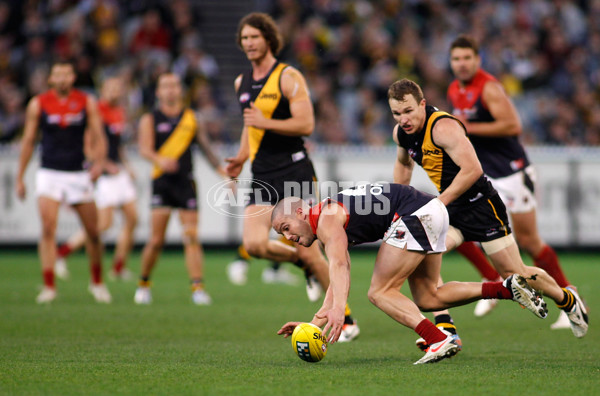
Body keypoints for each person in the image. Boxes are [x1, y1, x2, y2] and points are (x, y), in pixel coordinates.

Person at [387, 78, 588, 340]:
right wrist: (397, 206)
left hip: (480, 206)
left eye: (409, 111)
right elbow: (404, 165)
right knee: (418, 253)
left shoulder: (443, 127)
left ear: (422, 104)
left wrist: (439, 203)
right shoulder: (402, 133)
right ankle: (445, 327)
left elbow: (473, 170)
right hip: (450, 211)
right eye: (397, 113)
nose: (403, 119)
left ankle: (567, 299)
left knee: (516, 274)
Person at [273, 183, 547, 365]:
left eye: (286, 227)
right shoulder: (326, 220)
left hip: (413, 214)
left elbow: (340, 267)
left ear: (300, 212)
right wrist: (312, 324)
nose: (288, 236)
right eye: (281, 234)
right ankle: (506, 288)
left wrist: (338, 311)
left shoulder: (326, 218)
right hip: (431, 210)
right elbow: (338, 272)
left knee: (379, 292)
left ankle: (438, 339)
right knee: (429, 298)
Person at [224, 12, 359, 341]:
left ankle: (347, 319)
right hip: (261, 171)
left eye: (254, 37)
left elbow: (306, 124)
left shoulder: (287, 76)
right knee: (255, 245)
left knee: (314, 250)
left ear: (269, 39)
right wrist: (241, 157)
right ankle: (303, 266)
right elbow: (249, 124)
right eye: (244, 39)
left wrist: (264, 123)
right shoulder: (242, 82)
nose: (249, 43)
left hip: (293, 168)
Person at [447, 34, 582, 328]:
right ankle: (491, 278)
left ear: (477, 60)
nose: (462, 64)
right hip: (486, 174)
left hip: (511, 172)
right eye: (456, 58)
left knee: (529, 241)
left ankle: (569, 295)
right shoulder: (455, 89)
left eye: (467, 58)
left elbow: (512, 125)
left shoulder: (489, 87)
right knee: (456, 225)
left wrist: (469, 127)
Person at [15, 61, 111, 304]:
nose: (62, 78)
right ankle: (49, 286)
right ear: (50, 79)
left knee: (93, 232)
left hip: (78, 174)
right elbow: (28, 141)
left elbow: (99, 136)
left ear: (73, 76)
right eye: (57, 74)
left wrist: (99, 163)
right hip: (49, 173)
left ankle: (97, 282)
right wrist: (20, 177)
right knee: (48, 229)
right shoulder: (38, 103)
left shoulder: (86, 101)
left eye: (66, 73)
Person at [133, 72, 223, 306]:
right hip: (162, 183)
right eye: (166, 86)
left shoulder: (192, 118)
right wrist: (160, 160)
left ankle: (198, 288)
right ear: (158, 92)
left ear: (180, 90)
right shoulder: (149, 119)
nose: (171, 90)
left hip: (186, 183)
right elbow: (144, 148)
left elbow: (206, 148)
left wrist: (223, 173)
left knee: (192, 237)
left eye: (174, 85)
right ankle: (143, 284)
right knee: (156, 240)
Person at [54, 76, 138, 281]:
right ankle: (60, 254)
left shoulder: (120, 112)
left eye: (118, 88)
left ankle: (118, 268)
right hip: (105, 175)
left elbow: (116, 145)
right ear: (102, 90)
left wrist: (126, 165)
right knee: (102, 225)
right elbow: (88, 145)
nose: (115, 92)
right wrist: (103, 164)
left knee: (133, 220)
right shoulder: (97, 111)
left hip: (118, 173)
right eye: (111, 88)